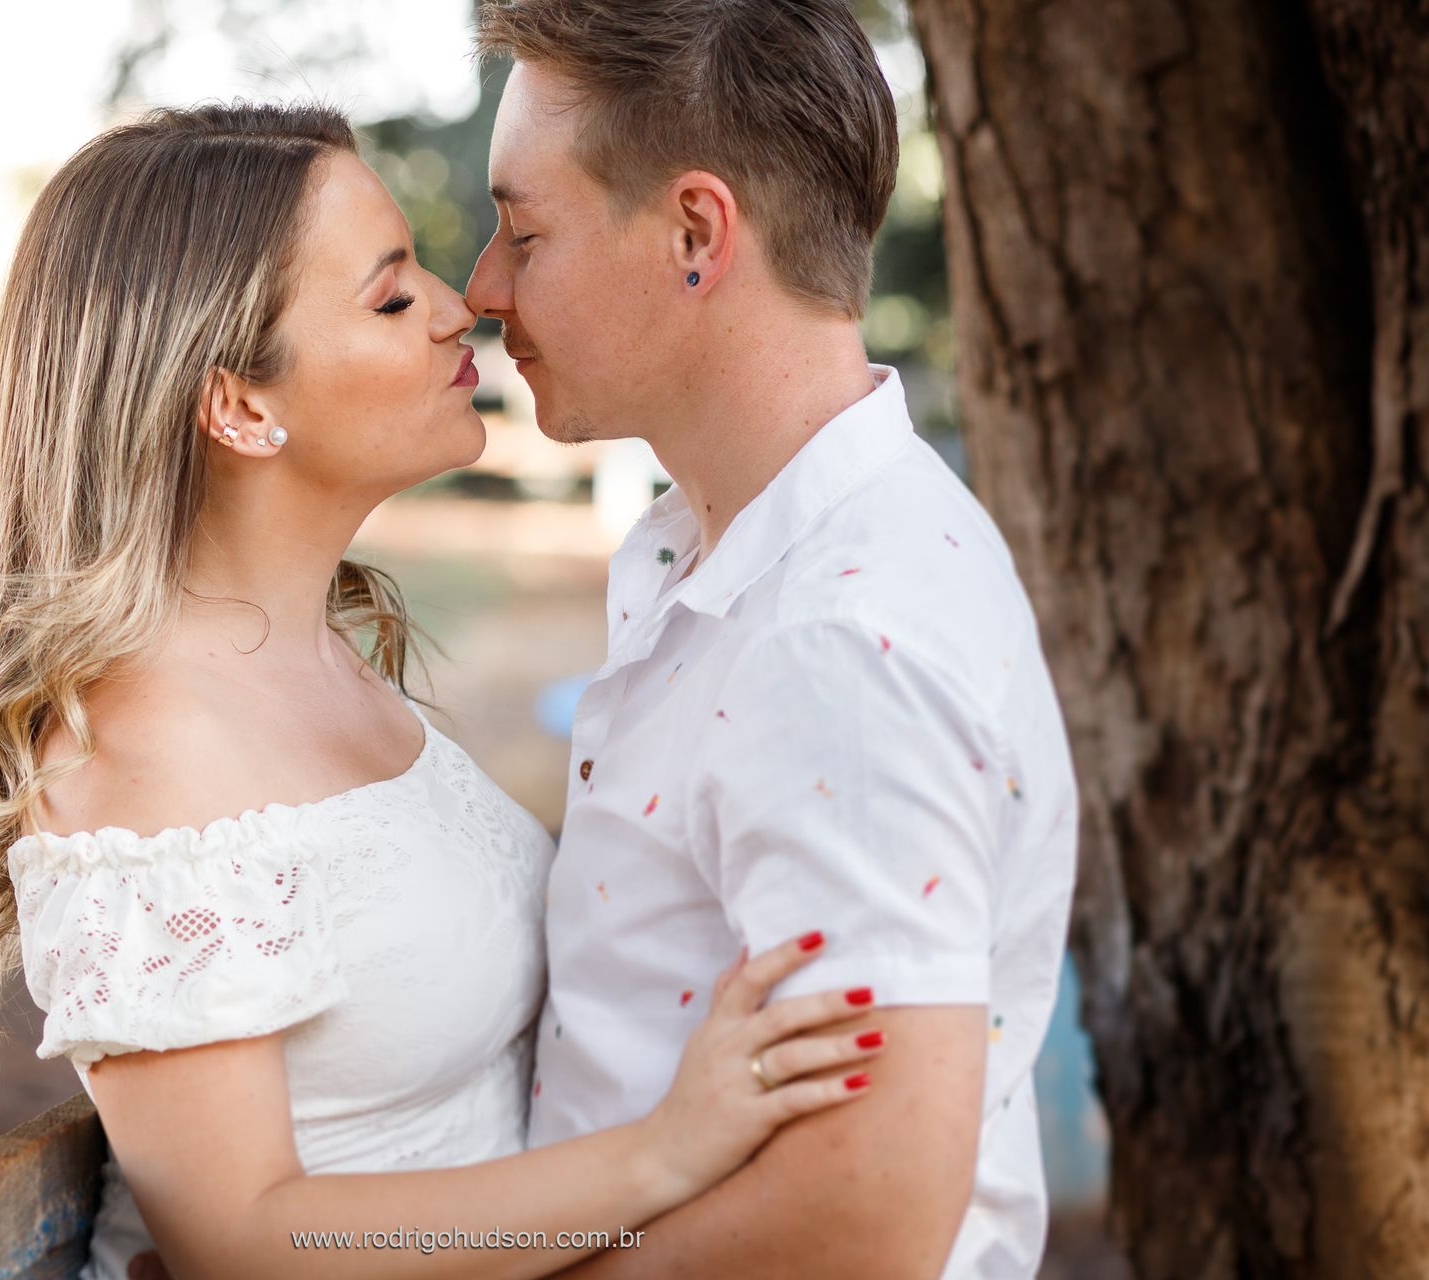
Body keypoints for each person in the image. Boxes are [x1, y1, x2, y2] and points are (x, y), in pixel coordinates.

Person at [0, 103, 895, 1280]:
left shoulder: (318, 663)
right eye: (392, 298)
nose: (462, 306)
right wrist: (659, 1155)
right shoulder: (148, 752)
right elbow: (244, 1240)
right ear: (242, 405)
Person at [462, 2, 1082, 1276]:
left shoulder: (839, 635)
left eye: (525, 231)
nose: (483, 287)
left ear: (697, 233)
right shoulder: (753, 560)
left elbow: (867, 1209)